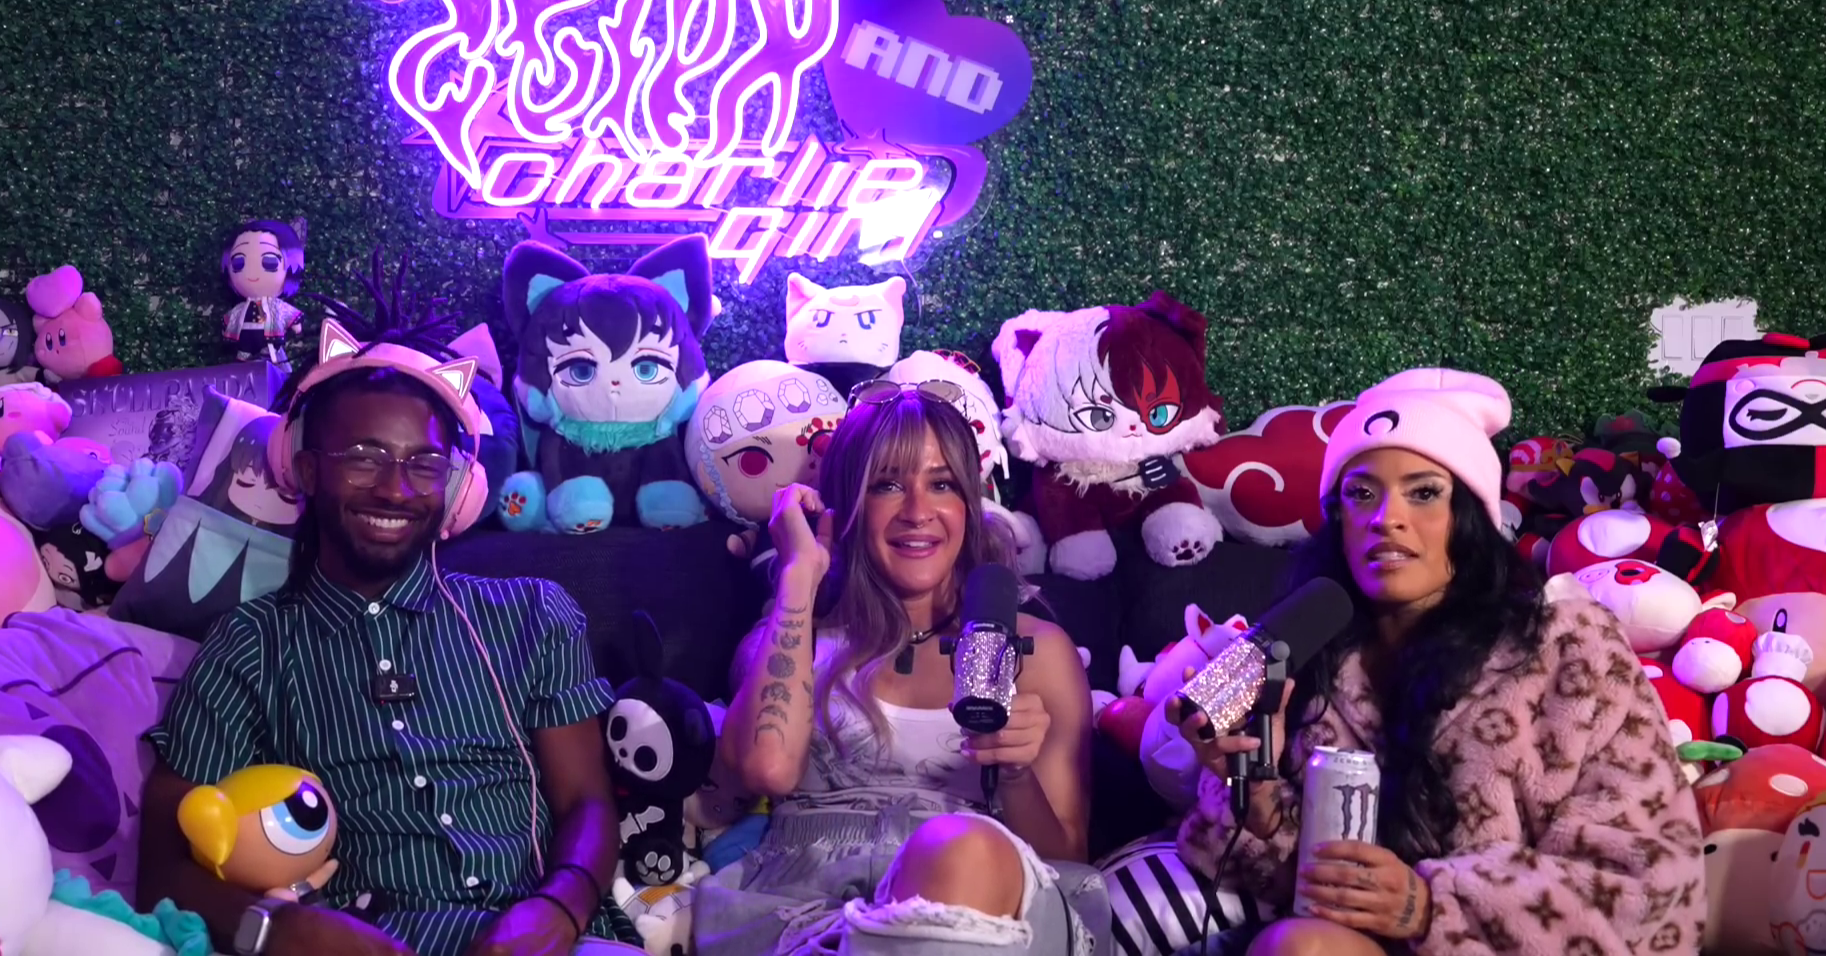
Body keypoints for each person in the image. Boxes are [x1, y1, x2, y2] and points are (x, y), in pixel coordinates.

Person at [1169, 368, 1704, 955]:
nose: (1386, 518)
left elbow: (1650, 881)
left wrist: (1429, 906)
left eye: (1423, 493)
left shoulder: (1570, 650)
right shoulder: (1310, 652)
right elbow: (1297, 885)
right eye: (1361, 494)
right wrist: (1255, 800)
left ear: (1469, 515)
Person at [136, 358, 640, 956]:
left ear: (455, 487)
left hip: (548, 938)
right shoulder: (248, 645)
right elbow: (161, 869)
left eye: (424, 465)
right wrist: (276, 928)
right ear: (307, 471)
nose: (395, 489)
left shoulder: (533, 615)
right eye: (363, 458)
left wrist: (559, 908)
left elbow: (585, 801)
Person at [691, 382, 1109, 954]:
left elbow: (1067, 855)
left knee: (957, 846)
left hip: (989, 904)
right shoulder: (789, 640)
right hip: (810, 908)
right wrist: (799, 575)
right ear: (844, 506)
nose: (917, 512)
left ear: (969, 504)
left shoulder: (1036, 650)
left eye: (942, 484)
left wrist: (1013, 774)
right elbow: (767, 771)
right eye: (887, 484)